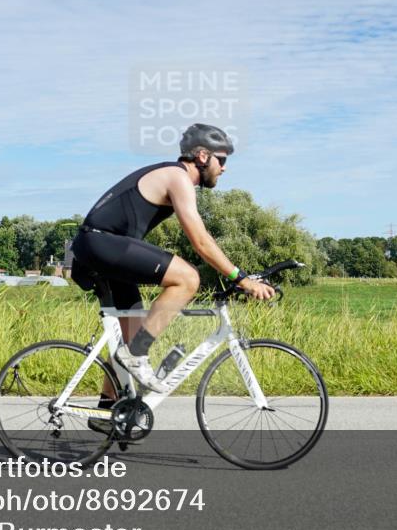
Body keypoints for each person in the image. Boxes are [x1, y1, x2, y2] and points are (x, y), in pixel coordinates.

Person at [70, 123, 275, 405]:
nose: (224, 168)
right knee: (187, 278)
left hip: (103, 246)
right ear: (203, 156)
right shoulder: (178, 178)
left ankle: (110, 407)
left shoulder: (173, 176)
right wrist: (240, 279)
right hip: (102, 243)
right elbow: (200, 242)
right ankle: (136, 356)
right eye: (222, 160)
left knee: (132, 329)